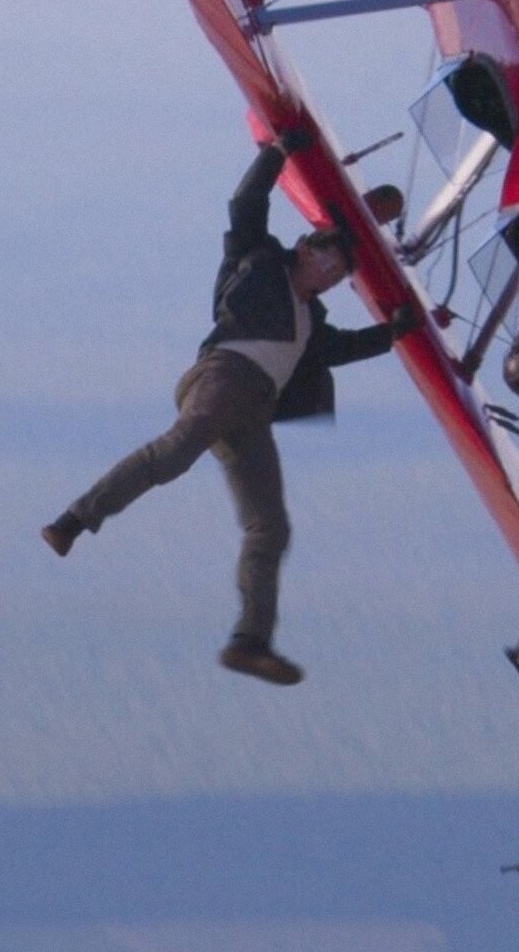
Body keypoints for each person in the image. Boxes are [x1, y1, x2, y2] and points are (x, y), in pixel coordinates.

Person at [41, 129, 420, 686]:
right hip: (223, 374)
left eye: (341, 273)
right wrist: (277, 152)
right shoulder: (260, 263)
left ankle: (250, 642)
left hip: (254, 409)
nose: (334, 274)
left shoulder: (311, 323)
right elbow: (247, 205)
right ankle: (73, 520)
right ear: (305, 250)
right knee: (175, 452)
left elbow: (339, 351)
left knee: (270, 527)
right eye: (328, 261)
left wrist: (392, 335)